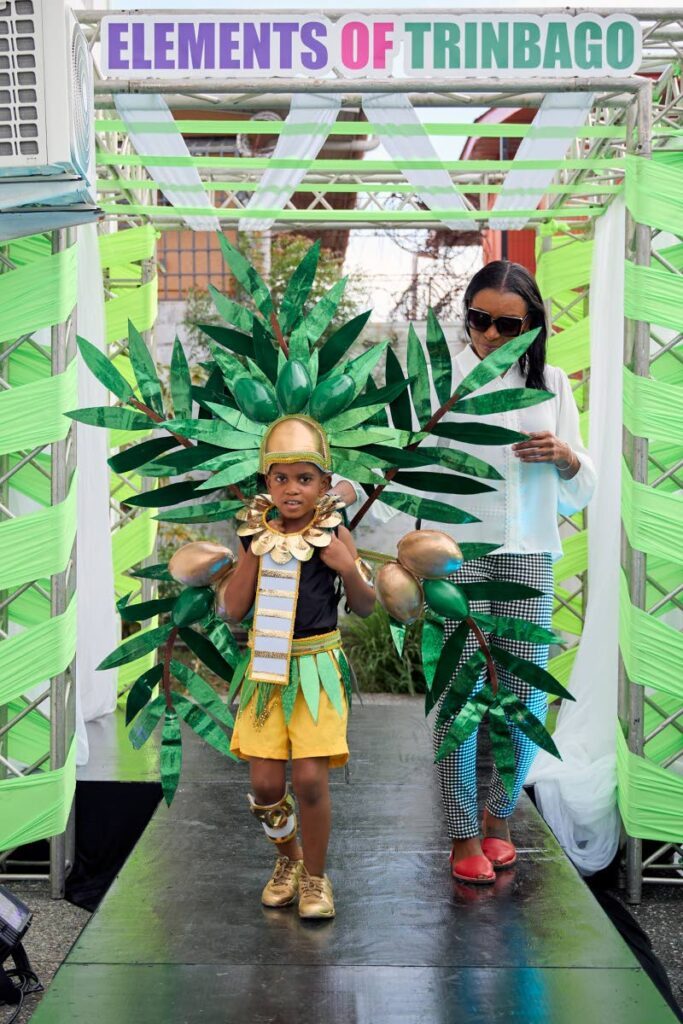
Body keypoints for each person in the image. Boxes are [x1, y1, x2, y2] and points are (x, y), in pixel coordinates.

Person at [432, 260, 596, 884]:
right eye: (479, 320)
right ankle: (462, 831)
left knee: (522, 698)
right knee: (459, 699)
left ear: (532, 324)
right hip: (455, 557)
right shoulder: (439, 381)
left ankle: (500, 817)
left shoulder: (551, 382)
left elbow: (581, 488)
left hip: (528, 558)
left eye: (508, 323)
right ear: (466, 315)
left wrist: (563, 457)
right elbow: (401, 457)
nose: (491, 335)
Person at [217, 415, 376, 918]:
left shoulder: (334, 532)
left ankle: (315, 880)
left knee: (309, 780)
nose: (292, 489)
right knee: (265, 786)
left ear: (325, 485)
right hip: (265, 669)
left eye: (305, 479)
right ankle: (288, 859)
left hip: (315, 669)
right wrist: (252, 554)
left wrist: (347, 568)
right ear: (267, 483)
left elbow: (368, 606)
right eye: (280, 478)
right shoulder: (252, 535)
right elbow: (232, 610)